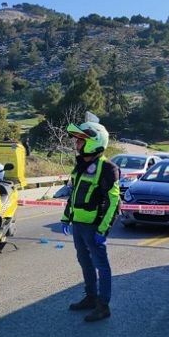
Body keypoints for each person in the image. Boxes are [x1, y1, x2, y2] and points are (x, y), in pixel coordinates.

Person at [60, 119, 121, 322]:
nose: (76, 144)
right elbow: (73, 193)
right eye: (77, 140)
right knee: (84, 261)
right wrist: (66, 217)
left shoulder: (108, 168)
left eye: (80, 140)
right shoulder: (81, 165)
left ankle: (103, 306)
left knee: (101, 265)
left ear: (94, 142)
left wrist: (102, 231)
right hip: (78, 224)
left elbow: (114, 202)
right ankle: (91, 297)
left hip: (94, 227)